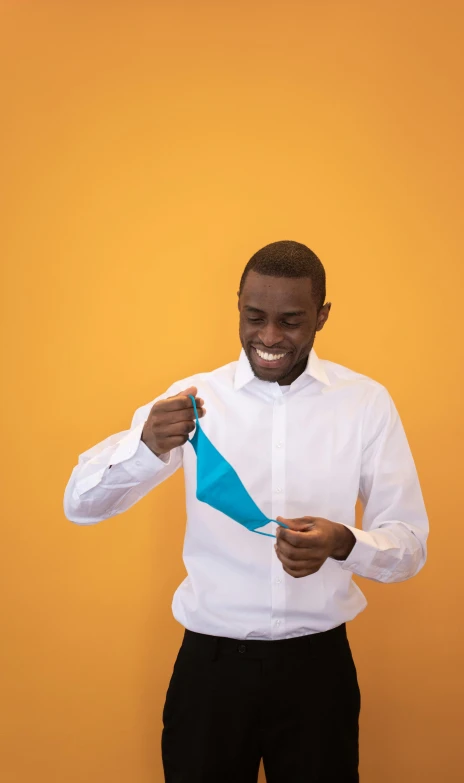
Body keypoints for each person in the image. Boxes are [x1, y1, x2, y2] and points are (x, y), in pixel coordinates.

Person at [64, 240, 429, 783]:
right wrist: (143, 445)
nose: (270, 338)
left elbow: (409, 545)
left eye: (291, 321)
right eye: (255, 317)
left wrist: (343, 543)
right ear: (237, 304)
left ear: (322, 316)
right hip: (209, 675)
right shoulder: (193, 400)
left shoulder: (365, 404)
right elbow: (81, 506)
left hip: (318, 674)